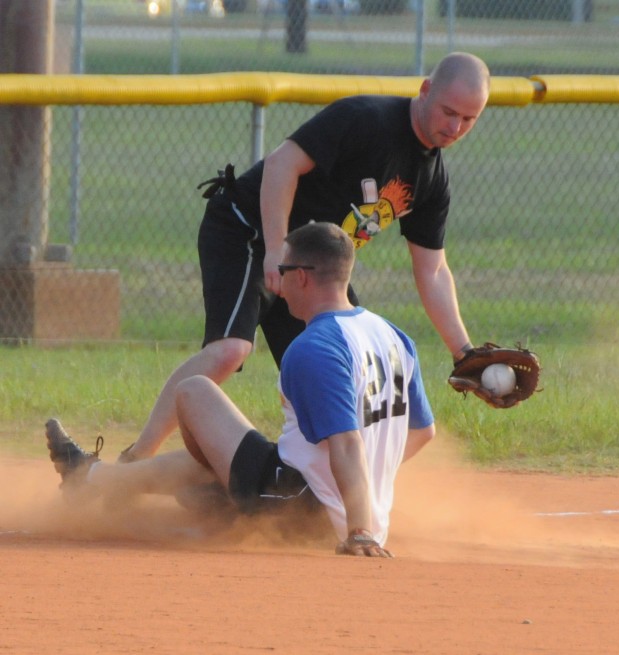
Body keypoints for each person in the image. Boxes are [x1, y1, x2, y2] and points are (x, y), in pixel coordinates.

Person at [118, 51, 489, 463]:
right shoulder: (368, 119)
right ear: (424, 91)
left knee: (348, 367)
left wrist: (463, 351)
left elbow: (432, 269)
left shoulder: (432, 180)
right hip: (250, 229)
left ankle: (302, 482)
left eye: (469, 119)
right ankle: (135, 460)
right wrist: (276, 248)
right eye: (449, 111)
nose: (455, 127)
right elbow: (282, 164)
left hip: (314, 268)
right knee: (230, 350)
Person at [46, 222, 435, 557]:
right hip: (334, 503)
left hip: (301, 508)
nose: (277, 283)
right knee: (225, 452)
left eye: (283, 270)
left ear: (302, 276)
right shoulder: (394, 336)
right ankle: (92, 480)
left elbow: (347, 444)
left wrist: (359, 530)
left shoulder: (315, 347)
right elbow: (422, 432)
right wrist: (367, 484)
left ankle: (204, 492)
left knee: (194, 390)